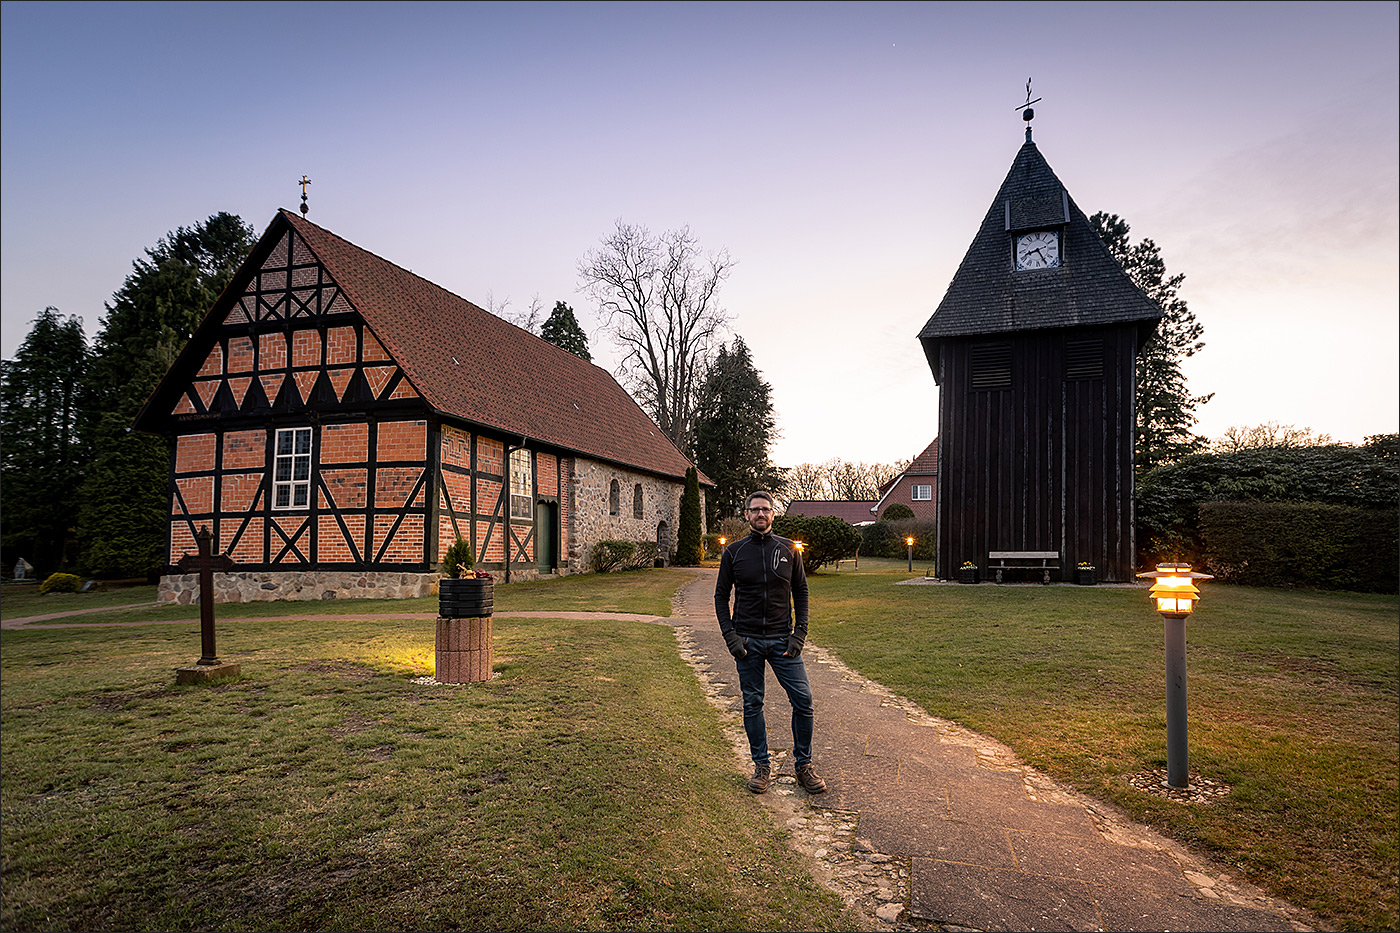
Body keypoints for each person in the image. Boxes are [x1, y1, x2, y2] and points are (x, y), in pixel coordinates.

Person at [714, 491, 826, 795]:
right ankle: (761, 766)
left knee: (803, 700)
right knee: (753, 703)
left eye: (765, 509)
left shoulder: (789, 549)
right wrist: (731, 637)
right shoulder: (734, 553)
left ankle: (803, 765)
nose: (760, 514)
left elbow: (801, 592)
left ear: (773, 514)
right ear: (747, 514)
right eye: (755, 510)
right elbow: (720, 596)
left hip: (783, 641)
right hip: (747, 642)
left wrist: (799, 633)